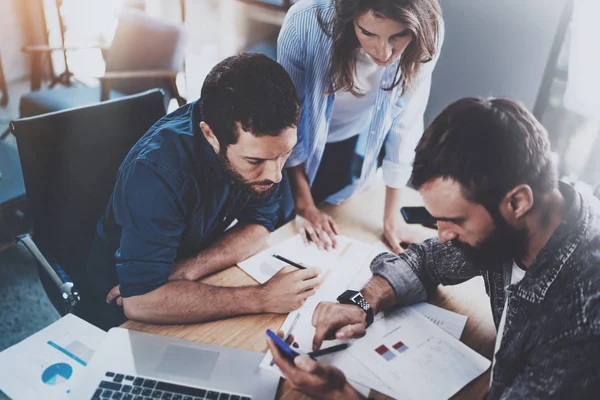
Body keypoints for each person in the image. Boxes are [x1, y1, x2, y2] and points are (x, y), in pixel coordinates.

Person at [268, 97, 600, 399]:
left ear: (517, 202)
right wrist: (362, 302)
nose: (442, 235)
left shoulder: (582, 321)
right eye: (436, 219)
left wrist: (343, 396)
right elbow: (425, 260)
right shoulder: (524, 218)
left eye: (454, 221)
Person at [84, 53, 322, 329]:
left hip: (180, 274)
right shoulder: (156, 174)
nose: (275, 175)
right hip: (113, 307)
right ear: (210, 135)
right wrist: (262, 297)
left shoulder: (256, 140)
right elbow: (140, 301)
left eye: (284, 154)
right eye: (255, 161)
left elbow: (261, 223)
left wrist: (189, 269)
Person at [278, 0, 444, 252]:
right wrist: (304, 207)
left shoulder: (429, 28)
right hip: (287, 146)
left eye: (399, 35)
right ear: (349, 17)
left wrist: (391, 219)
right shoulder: (303, 22)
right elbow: (287, 119)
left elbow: (405, 123)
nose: (384, 52)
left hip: (347, 133)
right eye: (368, 33)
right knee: (283, 226)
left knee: (334, 210)